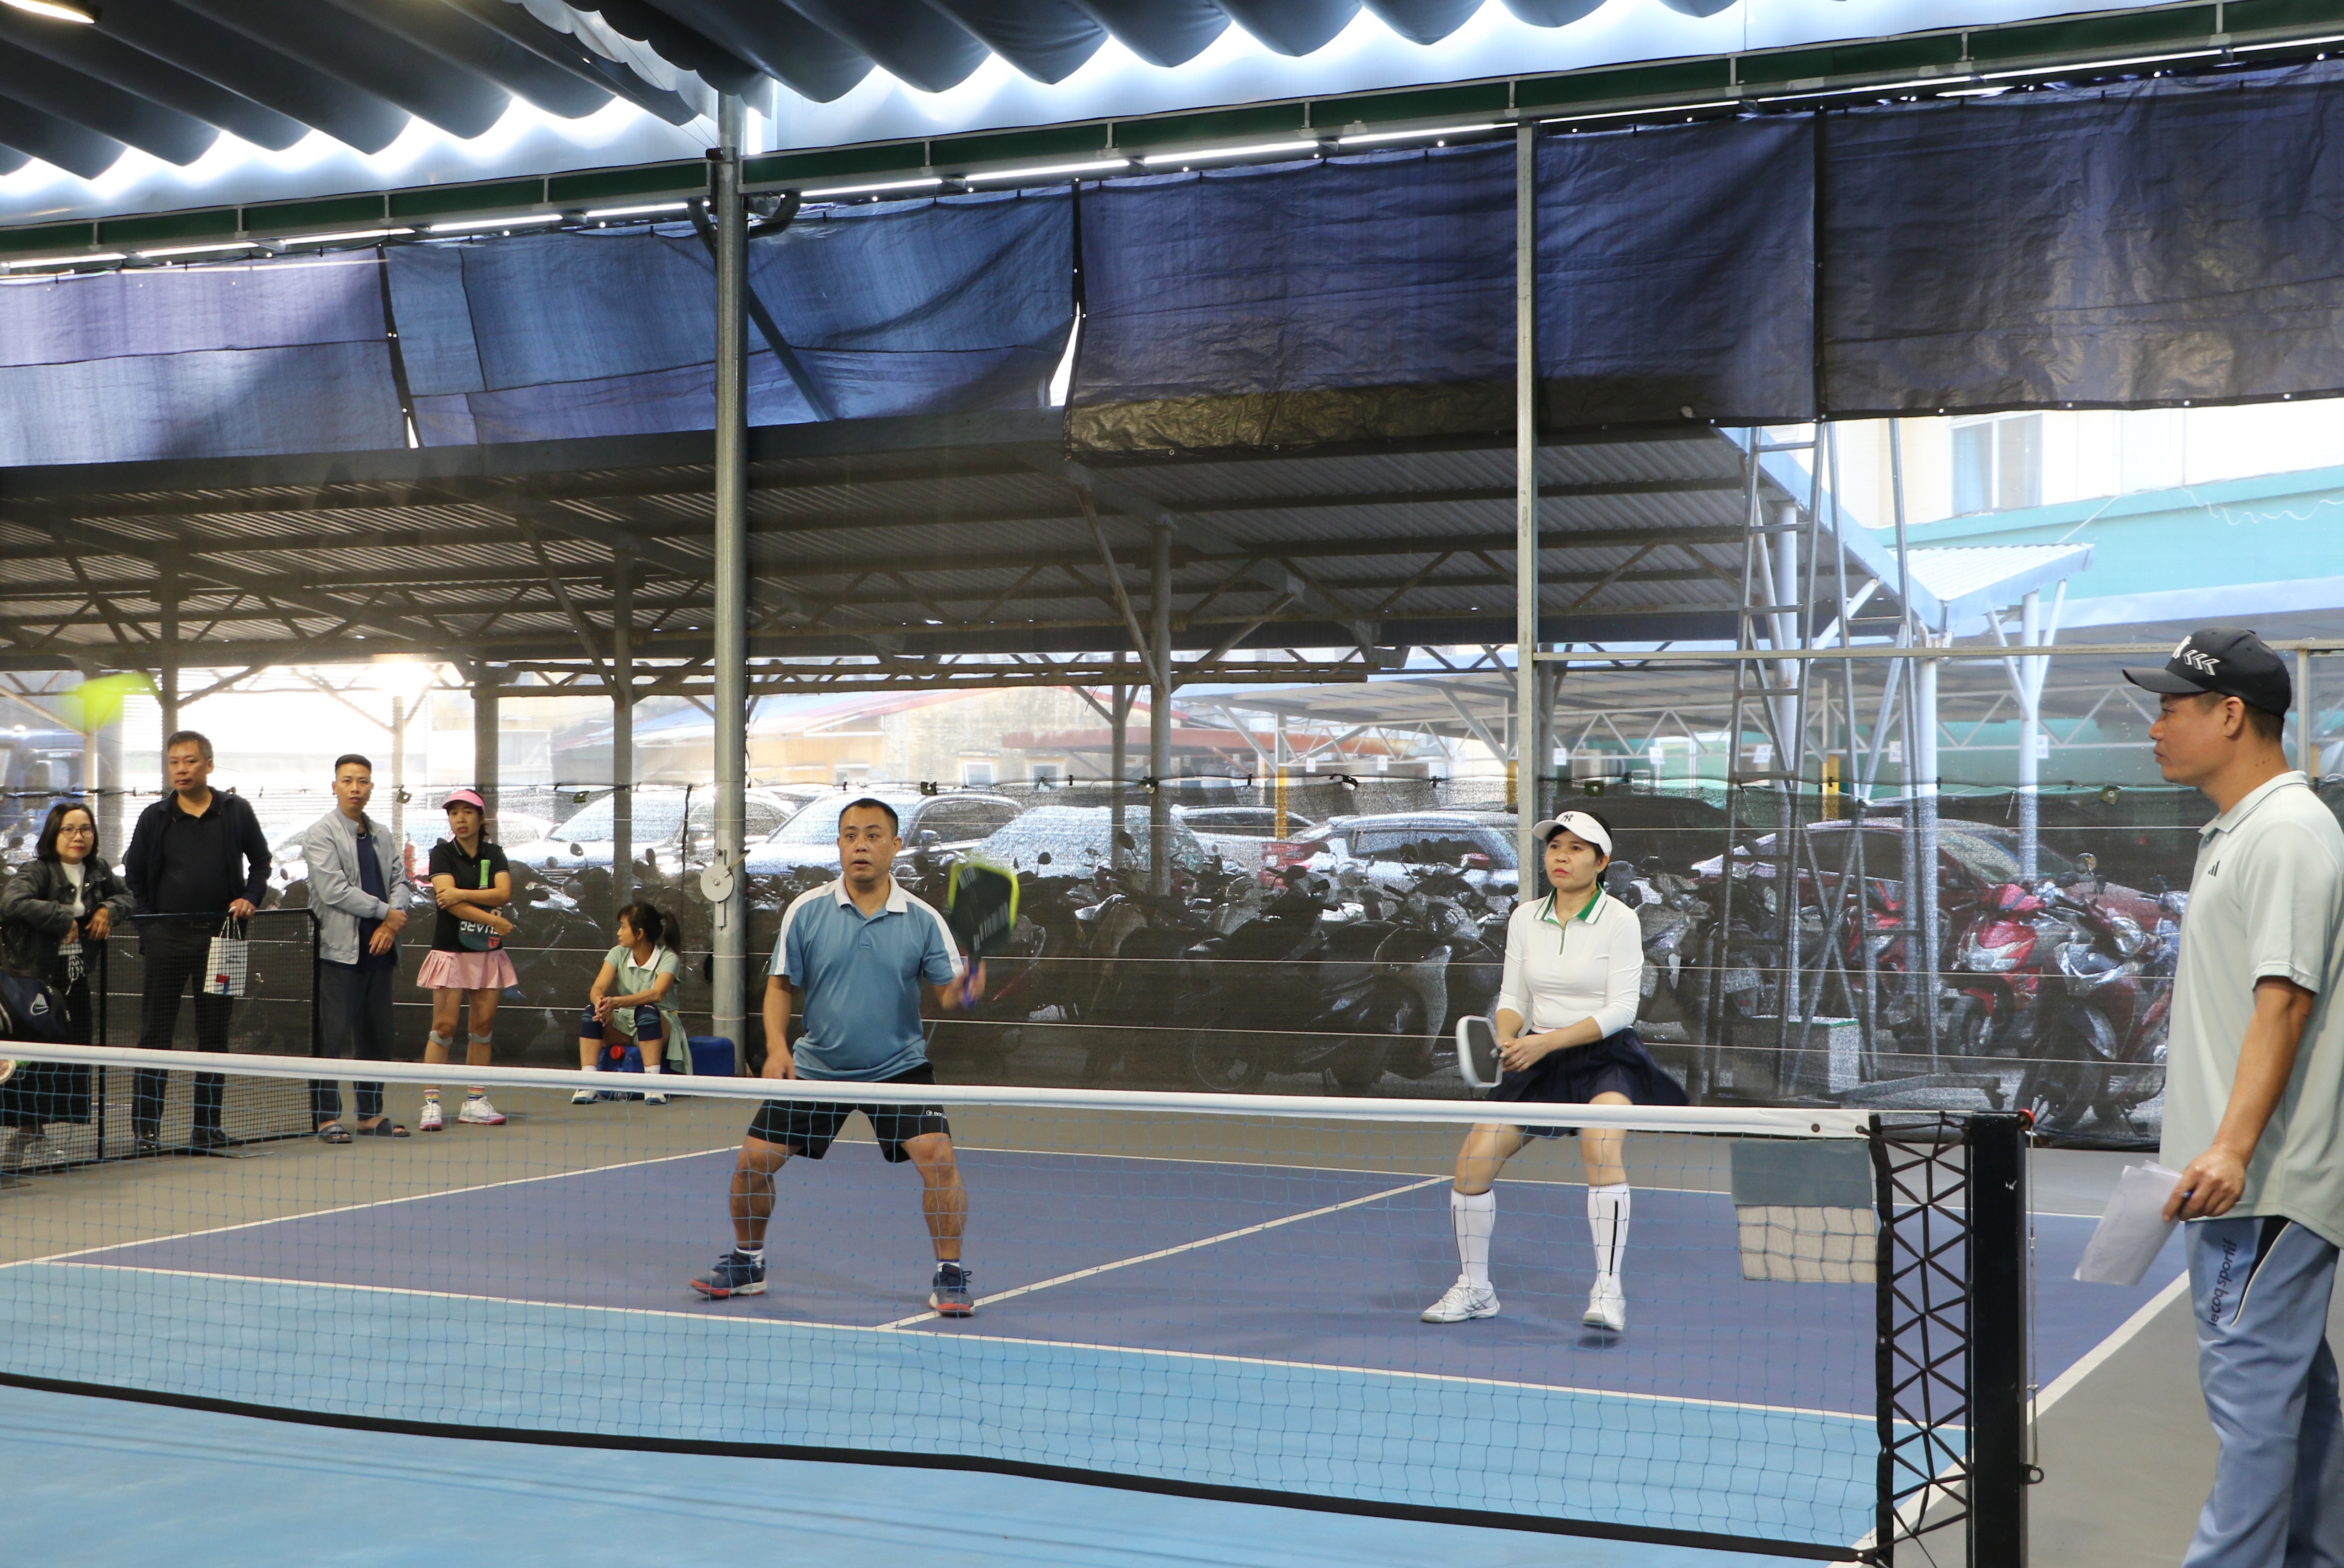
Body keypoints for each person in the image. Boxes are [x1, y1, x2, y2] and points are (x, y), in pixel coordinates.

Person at [2128, 629, 2344, 1566]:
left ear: (2228, 715)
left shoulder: (2285, 832)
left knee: (2252, 1416)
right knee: (2297, 1405)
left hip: (2255, 1188)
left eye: (2169, 708)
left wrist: (2229, 1148)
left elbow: (2284, 1000)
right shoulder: (2247, 830)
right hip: (2239, 1183)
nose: (2154, 728)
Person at [690, 798, 984, 1313]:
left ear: (895, 845)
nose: (860, 846)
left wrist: (965, 992)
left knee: (939, 1161)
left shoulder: (923, 919)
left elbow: (947, 993)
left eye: (873, 835)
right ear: (840, 846)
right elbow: (780, 986)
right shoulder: (806, 910)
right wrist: (777, 1048)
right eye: (850, 836)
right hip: (818, 1068)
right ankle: (748, 1263)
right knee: (752, 1163)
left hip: (899, 1068)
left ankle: (950, 1273)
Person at [1420, 809, 1685, 1333]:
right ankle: (1476, 1288)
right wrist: (1508, 1035)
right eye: (1555, 847)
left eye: (1576, 848)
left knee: (1601, 1148)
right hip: (1535, 1053)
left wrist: (1547, 1042)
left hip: (1605, 1053)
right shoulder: (1525, 917)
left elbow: (1622, 1009)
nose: (1561, 857)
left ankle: (1607, 1290)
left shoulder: (1620, 920)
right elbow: (1513, 997)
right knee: (1472, 1165)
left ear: (1601, 862)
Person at [121, 730, 270, 1153]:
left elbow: (261, 862)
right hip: (166, 940)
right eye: (174, 762)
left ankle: (207, 1128)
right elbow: (134, 877)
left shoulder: (236, 811)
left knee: (215, 1037)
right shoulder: (154, 817)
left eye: (189, 761)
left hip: (224, 941)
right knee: (156, 1035)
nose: (181, 770)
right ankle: (146, 1131)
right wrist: (150, 928)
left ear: (208, 765)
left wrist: (250, 897)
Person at [0, 802, 132, 1165]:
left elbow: (128, 897)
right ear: (54, 834)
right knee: (30, 1064)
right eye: (69, 830)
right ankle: (23, 1135)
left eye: (85, 829)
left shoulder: (99, 871)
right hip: (34, 985)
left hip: (75, 983)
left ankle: (36, 1134)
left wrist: (108, 910)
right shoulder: (37, 870)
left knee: (68, 1062)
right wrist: (61, 917)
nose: (78, 837)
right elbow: (11, 902)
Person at [300, 755, 413, 1142]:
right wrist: (386, 913)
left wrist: (390, 923)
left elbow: (401, 881)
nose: (355, 788)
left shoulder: (381, 834)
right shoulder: (320, 833)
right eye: (347, 781)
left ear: (371, 788)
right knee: (331, 1040)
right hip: (338, 953)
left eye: (362, 781)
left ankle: (369, 1115)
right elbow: (333, 890)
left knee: (377, 1039)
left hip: (381, 951)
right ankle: (326, 1118)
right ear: (335, 786)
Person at [415, 789, 516, 1132]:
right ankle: (431, 1104)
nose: (460, 818)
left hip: (487, 953)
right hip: (451, 952)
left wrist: (461, 893)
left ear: (480, 818)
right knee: (443, 1028)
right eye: (454, 812)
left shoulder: (495, 854)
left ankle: (475, 1102)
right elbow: (448, 903)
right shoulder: (441, 854)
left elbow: (502, 893)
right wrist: (494, 921)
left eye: (467, 812)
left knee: (482, 1029)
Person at [571, 901, 685, 1107]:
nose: (619, 932)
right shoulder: (617, 953)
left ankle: (653, 1084)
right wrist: (600, 1003)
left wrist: (616, 1002)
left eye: (623, 927)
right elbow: (598, 988)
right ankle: (588, 1083)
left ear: (640, 933)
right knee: (591, 1014)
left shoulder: (669, 958)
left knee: (647, 1012)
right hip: (625, 1022)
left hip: (662, 1024)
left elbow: (657, 994)